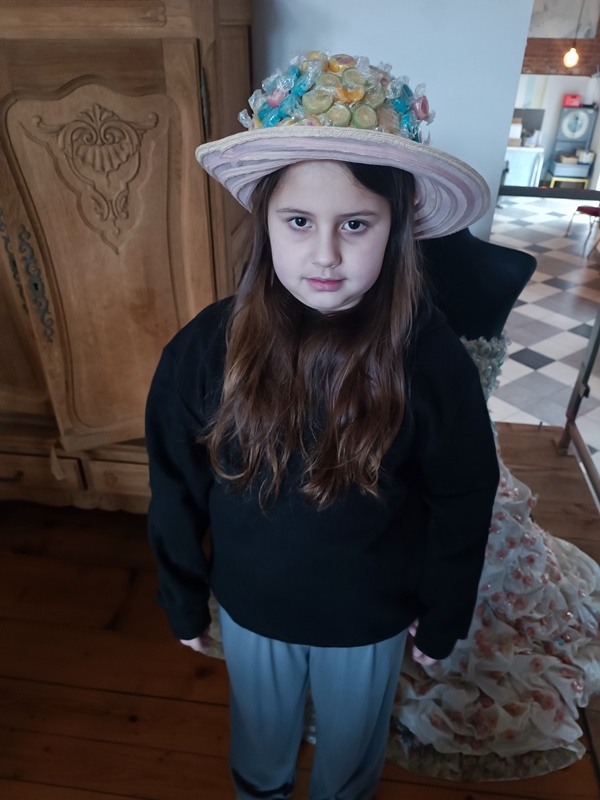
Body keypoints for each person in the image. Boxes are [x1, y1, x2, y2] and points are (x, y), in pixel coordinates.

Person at [145, 51, 500, 800]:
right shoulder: (206, 348)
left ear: (395, 230)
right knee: (260, 741)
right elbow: (174, 481)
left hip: (371, 617)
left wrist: (444, 610)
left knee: (350, 751)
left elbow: (464, 494)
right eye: (300, 221)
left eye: (357, 224)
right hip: (252, 608)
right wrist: (181, 593)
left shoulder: (430, 359)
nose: (327, 255)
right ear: (267, 222)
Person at [384, 231, 600, 781]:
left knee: (468, 546)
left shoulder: (509, 264)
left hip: (465, 463)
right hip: (384, 455)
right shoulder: (378, 261)